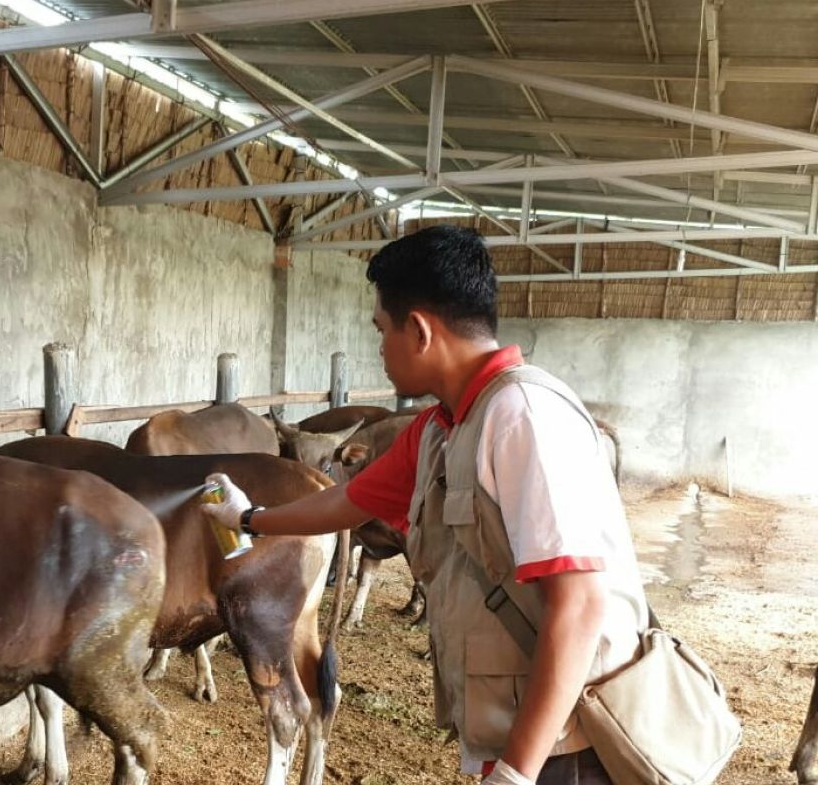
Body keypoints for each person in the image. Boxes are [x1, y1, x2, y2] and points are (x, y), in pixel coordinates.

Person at [202, 225, 649, 785]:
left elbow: (580, 604)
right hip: (528, 733)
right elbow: (345, 502)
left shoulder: (522, 416)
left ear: (418, 331)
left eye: (380, 330)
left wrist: (516, 773)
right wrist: (248, 518)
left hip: (577, 744)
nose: (379, 347)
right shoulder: (443, 426)